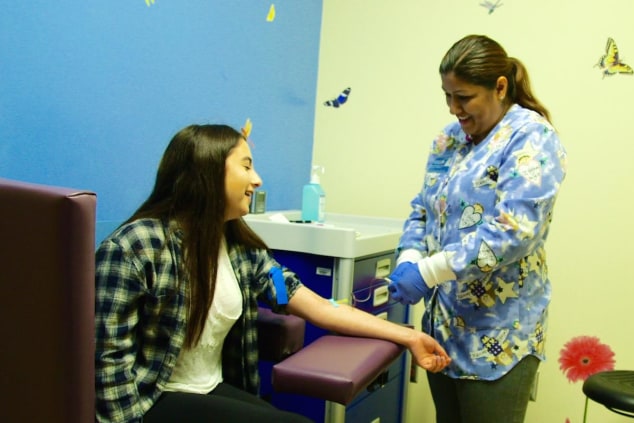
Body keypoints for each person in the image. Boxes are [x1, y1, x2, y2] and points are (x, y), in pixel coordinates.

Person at [95, 123, 452, 423]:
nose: (258, 179)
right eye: (246, 166)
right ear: (208, 170)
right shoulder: (135, 247)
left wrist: (408, 337)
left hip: (212, 387)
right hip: (153, 398)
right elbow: (106, 362)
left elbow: (321, 308)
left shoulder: (240, 252)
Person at [387, 34, 567, 423]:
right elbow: (424, 207)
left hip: (500, 337)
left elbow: (516, 230)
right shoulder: (448, 140)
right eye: (447, 96)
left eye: (464, 97)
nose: (454, 108)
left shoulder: (530, 136)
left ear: (500, 87)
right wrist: (410, 255)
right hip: (443, 328)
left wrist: (429, 271)